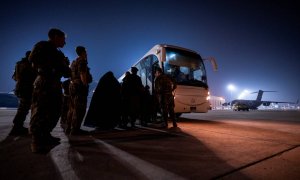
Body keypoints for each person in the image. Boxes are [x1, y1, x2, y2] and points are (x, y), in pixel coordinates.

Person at [29, 28, 71, 153]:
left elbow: (66, 72)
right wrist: (51, 66)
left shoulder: (59, 54)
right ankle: (36, 141)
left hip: (55, 83)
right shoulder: (42, 46)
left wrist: (64, 67)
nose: (64, 42)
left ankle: (46, 134)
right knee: (41, 110)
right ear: (56, 37)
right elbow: (33, 60)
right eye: (63, 39)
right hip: (44, 82)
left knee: (55, 109)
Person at [66, 46, 92, 135]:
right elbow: (82, 74)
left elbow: (71, 74)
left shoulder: (73, 62)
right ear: (83, 52)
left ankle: (68, 128)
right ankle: (75, 130)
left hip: (72, 85)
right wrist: (85, 84)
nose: (87, 54)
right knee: (79, 109)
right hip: (79, 87)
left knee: (72, 108)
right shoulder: (82, 61)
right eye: (86, 52)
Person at [10, 50, 36, 136]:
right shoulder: (29, 65)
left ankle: (17, 126)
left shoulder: (19, 64)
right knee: (24, 108)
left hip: (20, 88)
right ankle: (17, 128)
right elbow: (33, 76)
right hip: (27, 89)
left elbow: (14, 77)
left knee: (22, 108)